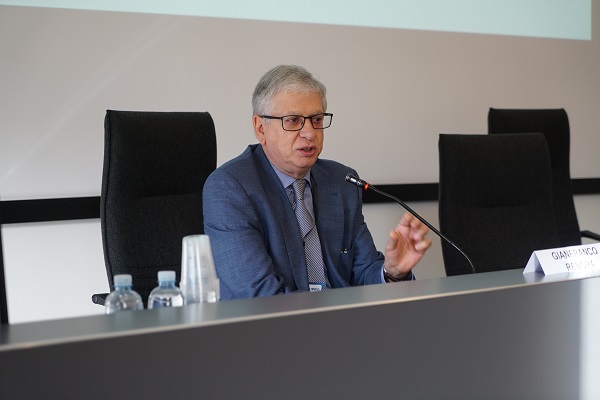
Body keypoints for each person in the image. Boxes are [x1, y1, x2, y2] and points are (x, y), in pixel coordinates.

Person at [203, 65, 432, 300]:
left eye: (316, 119)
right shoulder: (230, 188)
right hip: (279, 321)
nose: (310, 133)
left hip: (343, 317)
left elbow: (364, 274)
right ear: (261, 128)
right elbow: (261, 296)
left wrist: (392, 273)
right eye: (293, 120)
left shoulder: (341, 181)